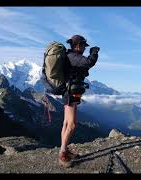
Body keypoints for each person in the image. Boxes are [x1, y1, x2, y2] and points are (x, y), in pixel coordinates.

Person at [58, 35, 99, 167]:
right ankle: (63, 153)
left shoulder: (71, 57)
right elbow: (88, 62)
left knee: (66, 123)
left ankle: (64, 149)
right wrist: (94, 52)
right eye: (82, 46)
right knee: (72, 124)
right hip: (71, 93)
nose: (83, 48)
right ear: (77, 45)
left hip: (69, 92)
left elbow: (84, 66)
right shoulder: (73, 56)